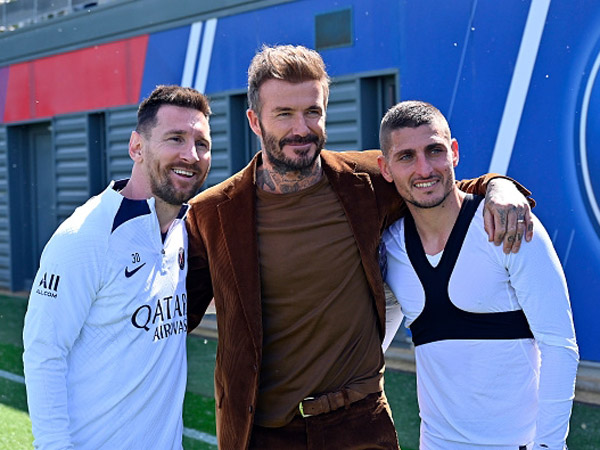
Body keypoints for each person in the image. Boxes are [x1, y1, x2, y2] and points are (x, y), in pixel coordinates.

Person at [185, 44, 534, 450]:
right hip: (261, 433)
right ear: (255, 121)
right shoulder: (212, 214)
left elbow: (436, 187)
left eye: (312, 112)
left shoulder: (366, 181)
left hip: (359, 426)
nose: (302, 127)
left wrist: (498, 186)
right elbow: (173, 316)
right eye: (284, 114)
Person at [378, 101, 579, 450]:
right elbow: (371, 344)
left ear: (454, 152)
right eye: (407, 156)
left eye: (435, 150)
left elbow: (559, 345)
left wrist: (549, 445)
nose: (424, 168)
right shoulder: (391, 249)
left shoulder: (508, 225)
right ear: (386, 168)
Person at [22, 85, 212, 449]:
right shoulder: (85, 236)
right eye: (175, 138)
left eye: (201, 144)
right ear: (137, 147)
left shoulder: (183, 231)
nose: (190, 154)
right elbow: (44, 352)